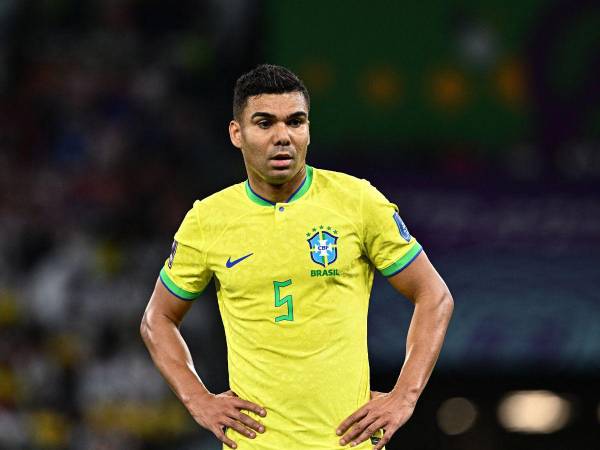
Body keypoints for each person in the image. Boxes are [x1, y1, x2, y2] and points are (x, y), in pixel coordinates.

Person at [140, 64, 453, 450]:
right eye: (264, 123)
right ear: (237, 134)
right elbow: (157, 318)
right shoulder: (207, 220)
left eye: (295, 121)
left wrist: (404, 396)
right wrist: (198, 399)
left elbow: (434, 296)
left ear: (308, 129)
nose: (282, 136)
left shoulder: (357, 201)